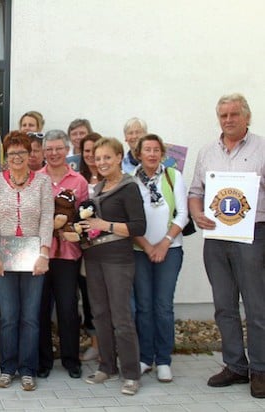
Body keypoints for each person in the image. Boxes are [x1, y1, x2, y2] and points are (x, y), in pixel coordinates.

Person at [188, 93, 265, 399]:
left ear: (247, 117)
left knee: (257, 307)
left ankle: (260, 368)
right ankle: (235, 365)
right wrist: (196, 212)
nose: (228, 120)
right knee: (224, 305)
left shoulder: (262, 148)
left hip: (253, 236)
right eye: (223, 115)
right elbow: (195, 191)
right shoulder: (208, 152)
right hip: (217, 239)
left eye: (234, 114)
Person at [0, 131, 53, 391]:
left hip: (34, 257)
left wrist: (44, 254)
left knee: (31, 317)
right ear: (6, 156)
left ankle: (27, 369)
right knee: (9, 316)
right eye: (12, 153)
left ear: (30, 155)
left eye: (22, 153)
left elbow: (47, 218)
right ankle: (7, 368)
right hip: (3, 257)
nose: (17, 157)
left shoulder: (42, 183)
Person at [80, 137, 145, 396]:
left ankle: (131, 374)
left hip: (118, 259)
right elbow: (93, 226)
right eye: (98, 158)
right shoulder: (99, 188)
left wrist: (103, 225)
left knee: (121, 317)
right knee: (100, 315)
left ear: (119, 157)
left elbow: (139, 227)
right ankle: (106, 366)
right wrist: (81, 232)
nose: (102, 162)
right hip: (94, 258)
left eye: (107, 157)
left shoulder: (128, 188)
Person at [132, 134, 189, 383]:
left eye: (157, 150)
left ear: (162, 153)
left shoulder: (173, 176)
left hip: (170, 249)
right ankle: (145, 357)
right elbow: (129, 219)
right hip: (139, 251)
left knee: (163, 306)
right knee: (143, 307)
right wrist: (147, 247)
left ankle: (164, 360)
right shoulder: (131, 180)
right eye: (148, 150)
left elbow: (183, 214)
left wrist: (164, 243)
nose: (152, 154)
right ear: (139, 154)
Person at [37, 130, 88, 379]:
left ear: (67, 150)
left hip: (68, 254)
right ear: (44, 152)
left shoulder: (79, 181)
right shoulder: (35, 179)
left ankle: (71, 359)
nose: (54, 153)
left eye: (58, 148)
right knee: (41, 308)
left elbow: (85, 217)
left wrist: (74, 230)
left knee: (68, 308)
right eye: (49, 149)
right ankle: (44, 360)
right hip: (40, 254)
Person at [77, 132, 102, 362]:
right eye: (86, 151)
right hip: (83, 250)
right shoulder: (78, 179)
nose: (91, 155)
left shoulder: (114, 179)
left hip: (108, 249)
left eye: (95, 151)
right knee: (89, 298)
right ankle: (95, 343)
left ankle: (111, 344)